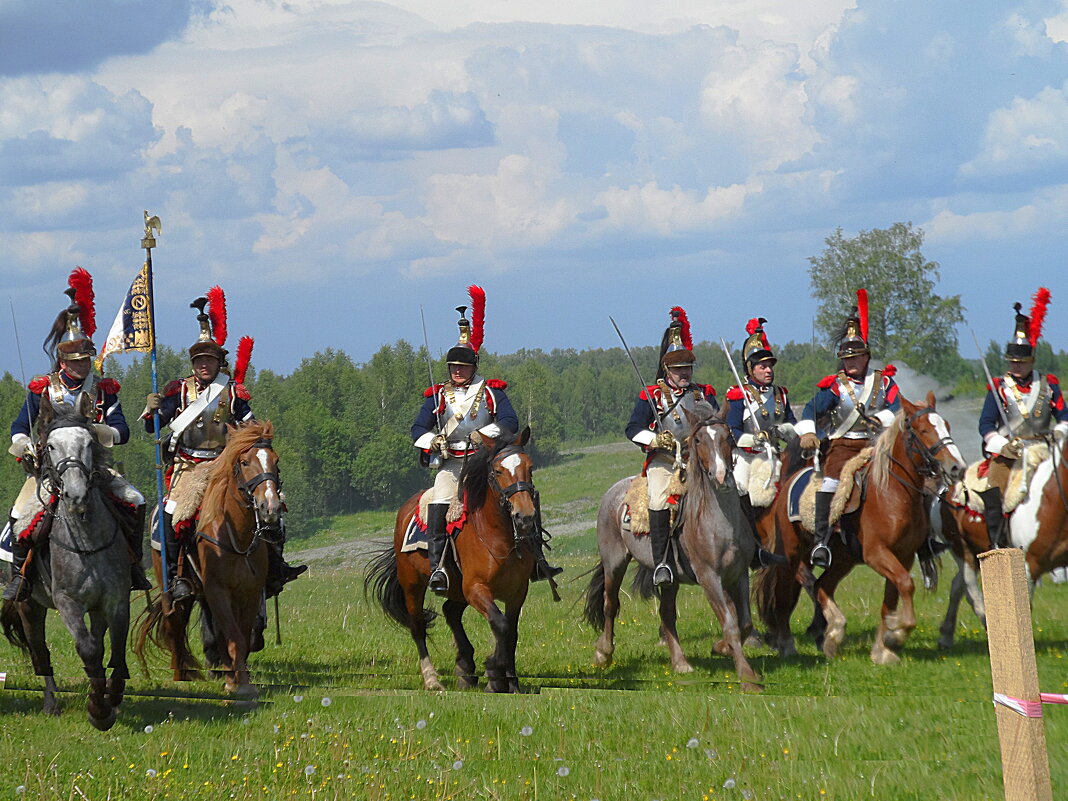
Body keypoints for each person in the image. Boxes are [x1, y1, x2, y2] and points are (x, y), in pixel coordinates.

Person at [145, 288, 306, 600]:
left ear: (219, 362)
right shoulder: (178, 392)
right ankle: (174, 578)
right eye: (199, 360)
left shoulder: (233, 394)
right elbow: (154, 426)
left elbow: (252, 428)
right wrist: (153, 410)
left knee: (271, 506)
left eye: (210, 360)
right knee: (172, 514)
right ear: (193, 364)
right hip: (189, 467)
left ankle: (275, 567)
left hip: (225, 466)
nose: (204, 365)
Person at [4, 269, 151, 602]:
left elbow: (122, 430)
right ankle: (21, 577)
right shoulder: (45, 390)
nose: (83, 366)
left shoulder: (103, 390)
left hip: (95, 470)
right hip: (50, 472)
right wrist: (26, 446)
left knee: (136, 501)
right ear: (63, 361)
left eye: (86, 360)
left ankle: (133, 564)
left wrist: (95, 431)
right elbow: (18, 427)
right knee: (18, 515)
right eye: (76, 361)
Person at [412, 285, 560, 595]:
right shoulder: (437, 395)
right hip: (453, 463)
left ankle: (537, 559)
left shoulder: (492, 392)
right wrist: (433, 441)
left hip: (486, 459)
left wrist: (484, 434)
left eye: (463, 367)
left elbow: (509, 422)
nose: (458, 372)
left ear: (473, 368)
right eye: (454, 367)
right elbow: (418, 429)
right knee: (440, 501)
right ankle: (439, 567)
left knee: (522, 496)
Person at [795, 290, 901, 569]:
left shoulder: (884, 383)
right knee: (830, 483)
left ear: (867, 357)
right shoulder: (834, 386)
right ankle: (821, 541)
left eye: (855, 358)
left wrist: (886, 422)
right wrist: (807, 433)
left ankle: (922, 537)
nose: (850, 363)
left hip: (877, 445)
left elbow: (897, 409)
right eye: (846, 359)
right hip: (842, 445)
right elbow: (811, 410)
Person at [624, 307, 719, 586]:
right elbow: (632, 429)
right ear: (667, 369)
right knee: (657, 500)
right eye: (679, 369)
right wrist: (654, 440)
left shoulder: (703, 394)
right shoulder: (652, 396)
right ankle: (662, 563)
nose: (684, 373)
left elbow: (714, 424)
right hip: (665, 462)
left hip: (698, 462)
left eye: (687, 368)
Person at [977, 288, 1068, 549]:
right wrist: (998, 444)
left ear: (1031, 361)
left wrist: (1060, 432)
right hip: (1010, 452)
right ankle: (998, 543)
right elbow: (985, 424)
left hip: (1044, 447)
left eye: (1021, 361)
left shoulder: (1048, 385)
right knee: (994, 489)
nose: (1015, 366)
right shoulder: (999, 388)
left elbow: (1064, 416)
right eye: (1012, 361)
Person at [725, 318, 793, 569]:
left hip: (774, 454)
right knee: (742, 490)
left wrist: (781, 430)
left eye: (770, 365)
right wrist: (752, 438)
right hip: (746, 456)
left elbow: (791, 425)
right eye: (762, 366)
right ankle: (751, 546)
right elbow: (730, 430)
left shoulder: (780, 394)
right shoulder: (738, 395)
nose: (768, 370)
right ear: (751, 369)